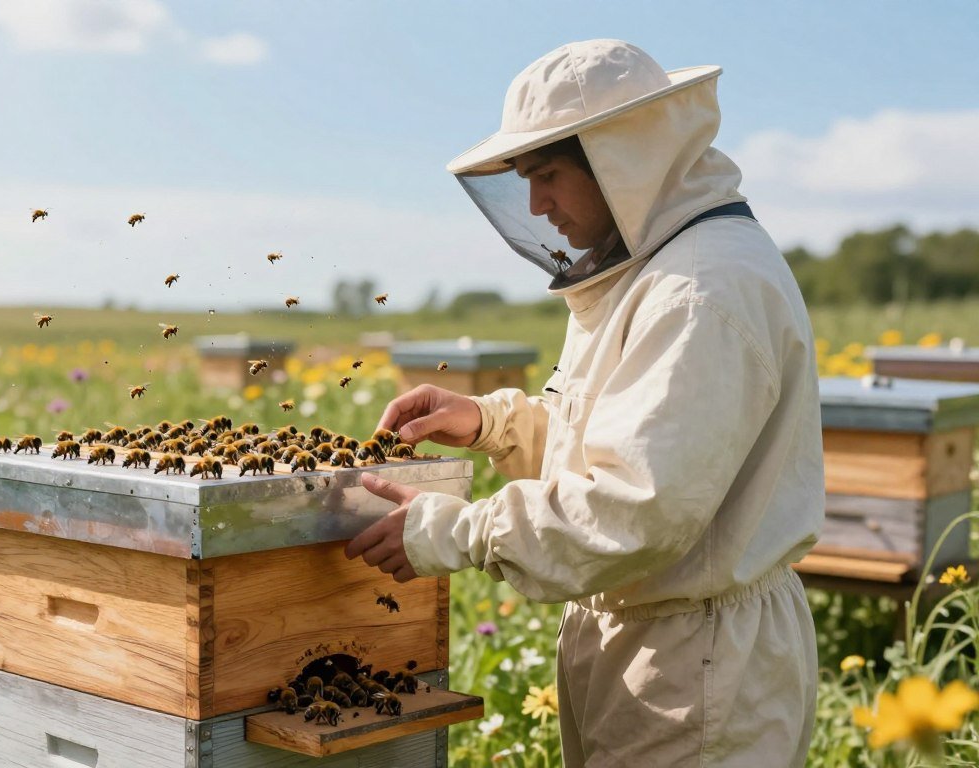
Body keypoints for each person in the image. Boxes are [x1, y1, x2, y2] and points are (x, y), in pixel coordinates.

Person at [345, 39, 823, 766]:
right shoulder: (658, 272)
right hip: (659, 641)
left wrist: (462, 532)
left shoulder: (701, 289)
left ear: (621, 159)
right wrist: (492, 423)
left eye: (548, 176)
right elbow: (624, 440)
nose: (536, 206)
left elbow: (638, 508)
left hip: (696, 665)